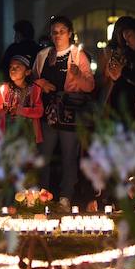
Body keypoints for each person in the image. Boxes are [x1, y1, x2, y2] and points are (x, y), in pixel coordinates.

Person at [34, 16, 95, 210]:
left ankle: (65, 196)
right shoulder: (44, 55)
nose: (58, 35)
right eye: (54, 32)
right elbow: (34, 78)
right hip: (47, 112)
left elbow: (90, 86)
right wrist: (41, 83)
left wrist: (77, 75)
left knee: (69, 154)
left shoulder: (78, 56)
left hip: (69, 112)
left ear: (70, 33)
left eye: (62, 31)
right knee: (44, 155)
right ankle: (42, 195)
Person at [0, 55, 44, 143]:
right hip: (9, 133)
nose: (13, 70)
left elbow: (39, 111)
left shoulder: (34, 89)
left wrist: (20, 111)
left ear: (27, 72)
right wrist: (3, 110)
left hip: (28, 133)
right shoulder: (4, 88)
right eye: (11, 67)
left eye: (17, 67)